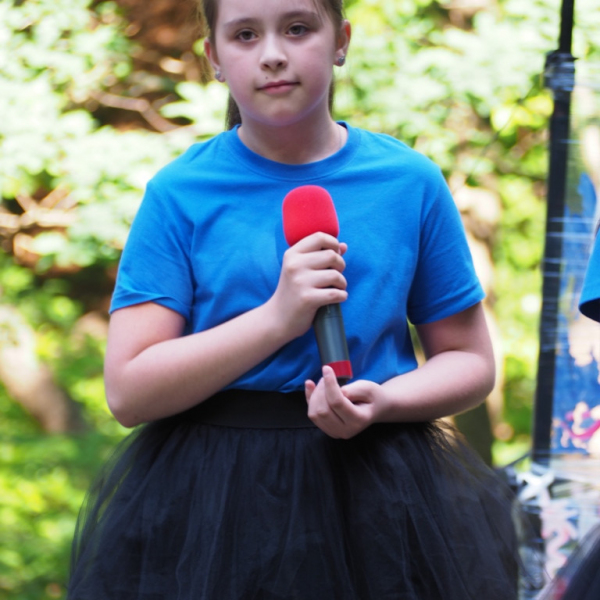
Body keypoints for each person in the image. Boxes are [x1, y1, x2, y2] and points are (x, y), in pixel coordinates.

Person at [67, 0, 519, 598]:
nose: (273, 54)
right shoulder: (179, 192)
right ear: (214, 58)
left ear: (341, 40)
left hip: (379, 492)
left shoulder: (409, 181)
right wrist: (277, 318)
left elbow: (469, 361)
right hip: (211, 502)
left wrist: (385, 400)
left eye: (298, 28)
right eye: (245, 35)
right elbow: (129, 391)